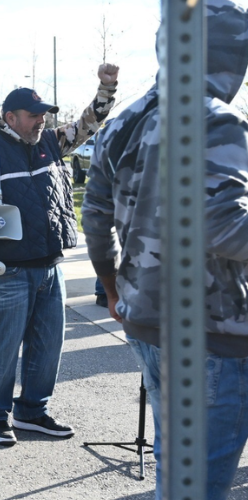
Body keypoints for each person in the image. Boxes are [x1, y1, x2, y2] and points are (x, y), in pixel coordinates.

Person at [83, 2, 248, 496]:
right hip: (212, 337)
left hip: (147, 322)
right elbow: (223, 227)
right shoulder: (215, 119)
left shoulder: (122, 122)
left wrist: (112, 290)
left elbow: (94, 218)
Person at [0, 63, 120, 446]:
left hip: (49, 264)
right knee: (5, 346)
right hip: (8, 268)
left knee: (48, 343)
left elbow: (90, 123)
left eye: (45, 114)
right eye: (34, 114)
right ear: (10, 117)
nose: (42, 120)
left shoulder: (51, 142)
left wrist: (106, 89)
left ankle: (32, 412)